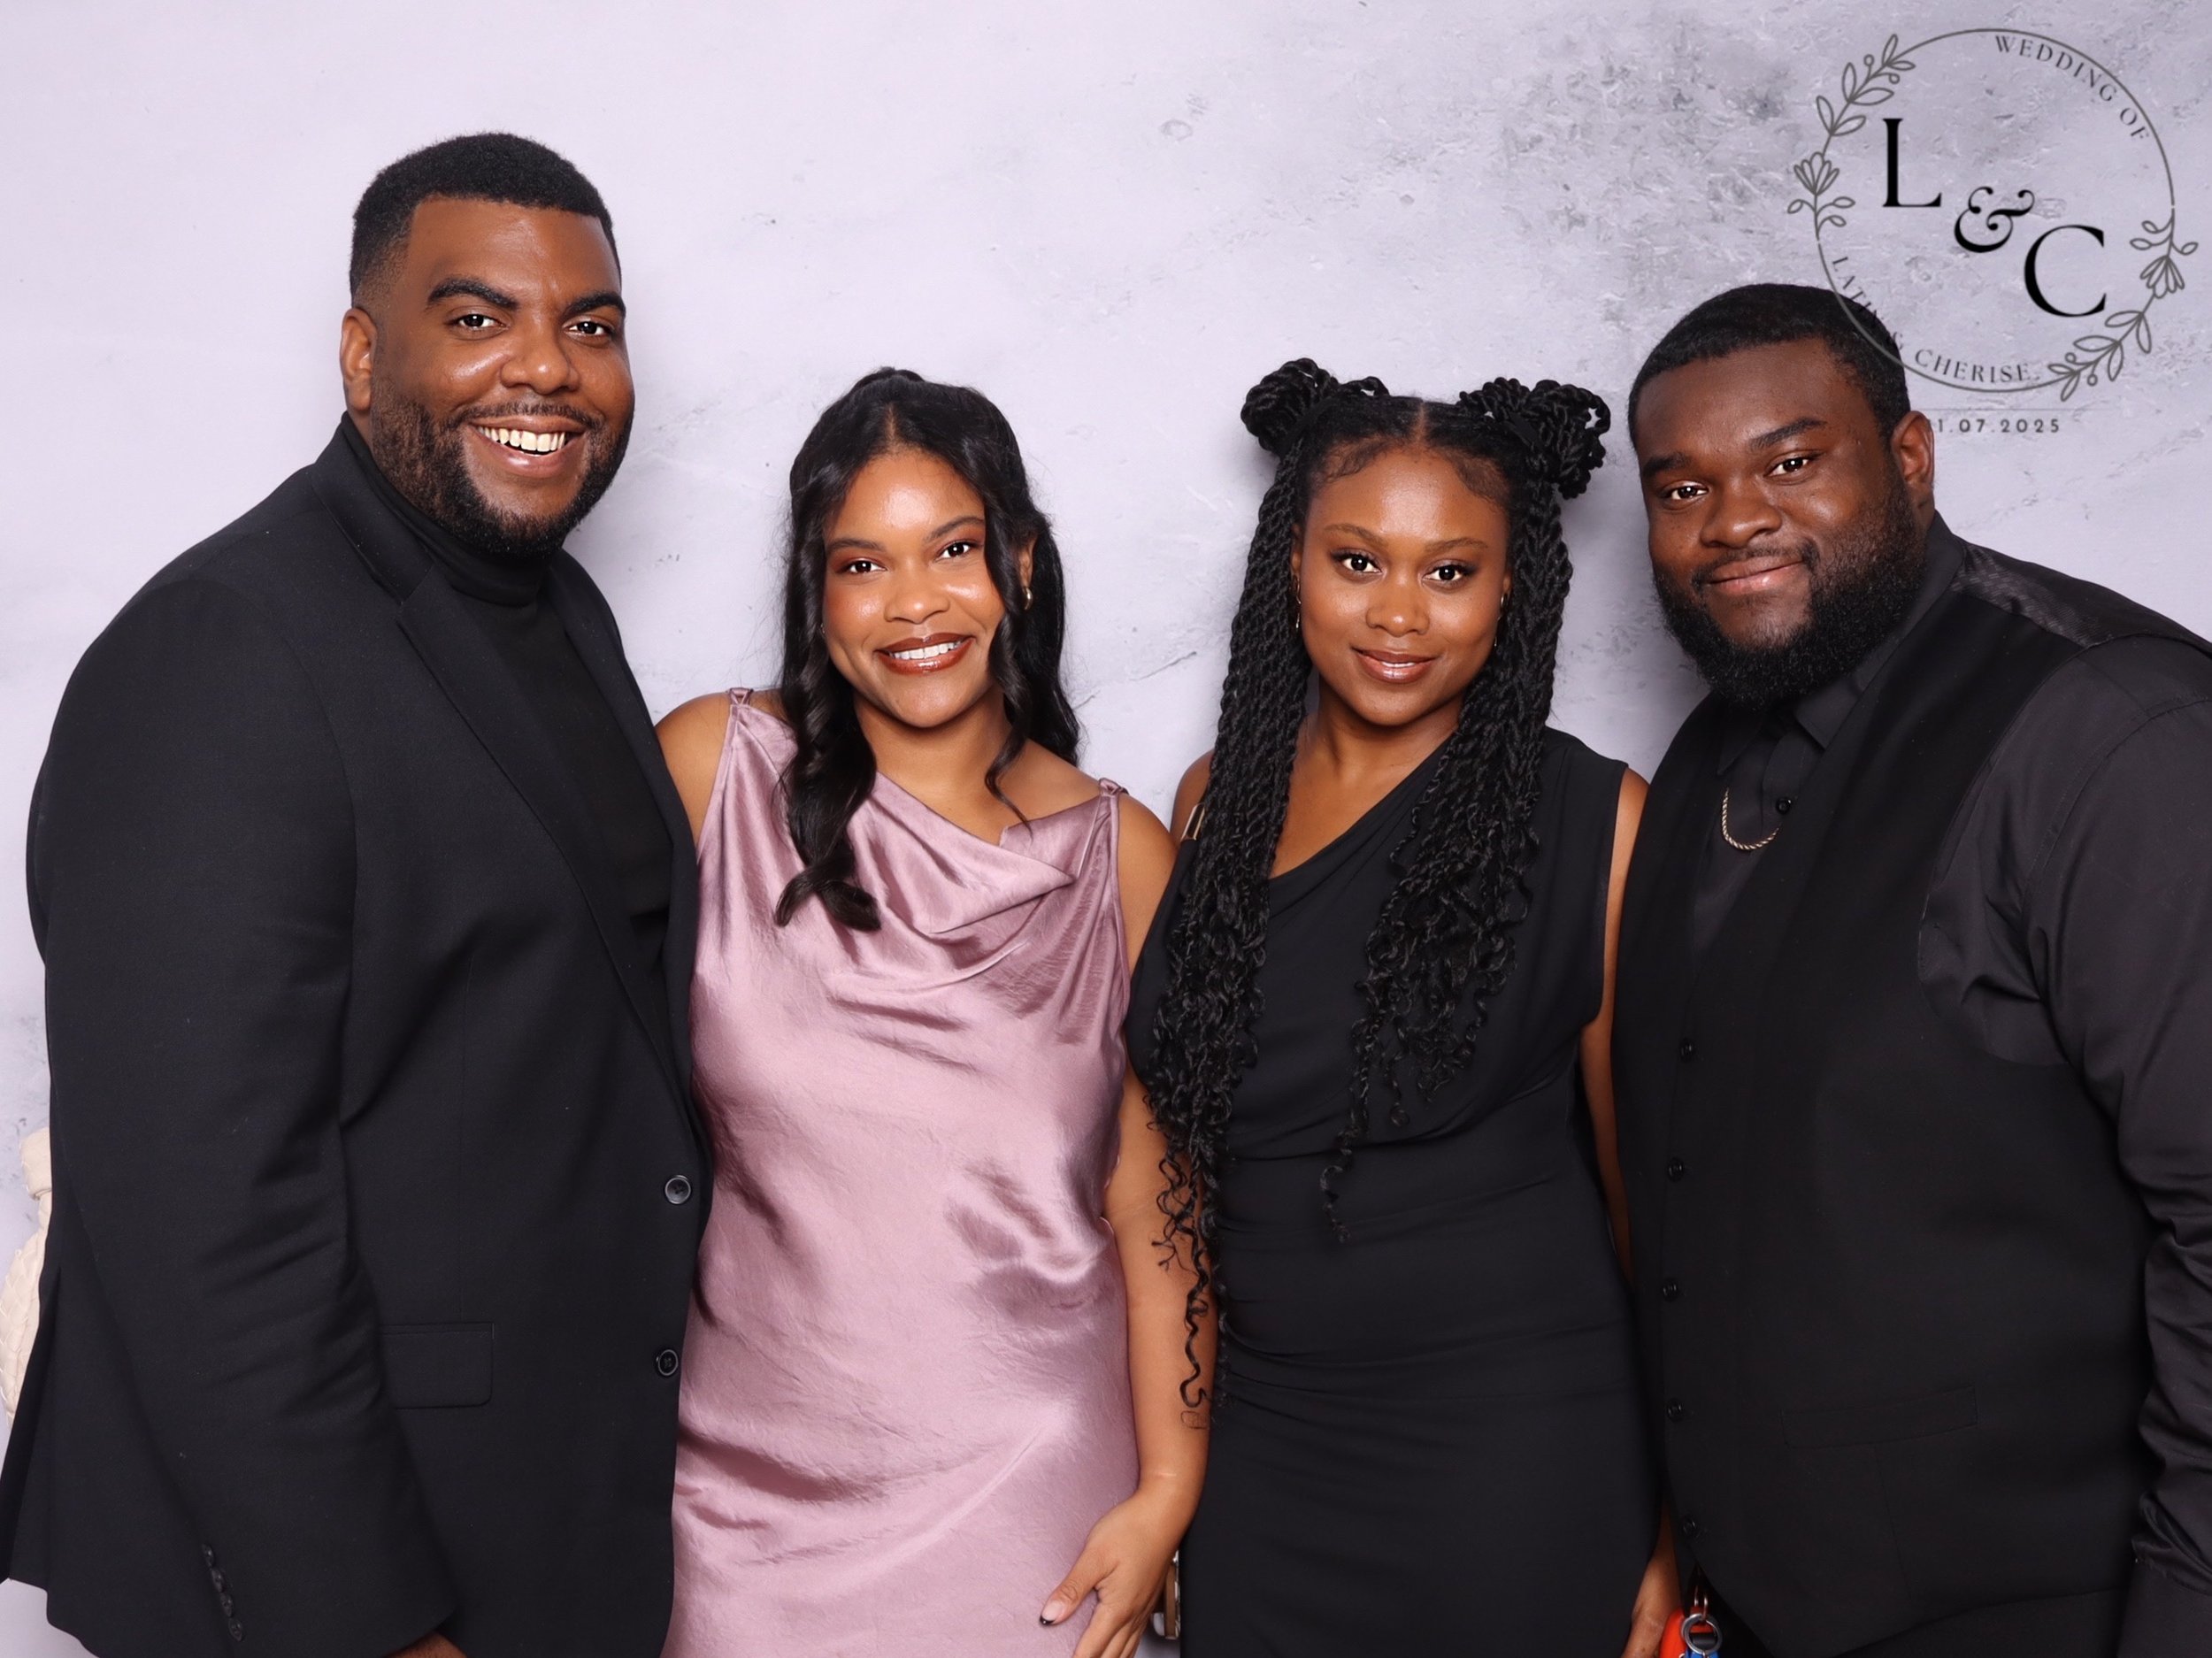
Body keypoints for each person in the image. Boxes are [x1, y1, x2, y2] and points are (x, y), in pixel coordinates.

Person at [0, 134, 707, 1658]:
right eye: (478, 319)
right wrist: (366, 1624)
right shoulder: (224, 650)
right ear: (360, 352)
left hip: (552, 1510)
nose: (549, 369)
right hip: (354, 1566)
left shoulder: (546, 599)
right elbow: (202, 1224)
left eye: (591, 325)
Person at [1615, 282, 2212, 1658]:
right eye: (1683, 485)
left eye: (1790, 461)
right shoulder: (1713, 746)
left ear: (1911, 458)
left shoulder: (2113, 730)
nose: (1735, 519)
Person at [653, 368, 1207, 1658]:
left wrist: (1169, 1492)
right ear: (817, 588)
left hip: (1033, 1509)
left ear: (1018, 560)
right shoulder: (711, 772)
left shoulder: (1120, 857)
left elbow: (1157, 1206)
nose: (914, 603)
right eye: (864, 563)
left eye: (954, 549)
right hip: (737, 1512)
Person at [1128, 359, 1672, 1655]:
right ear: (1291, 568)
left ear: (1513, 589)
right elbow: (1174, 1175)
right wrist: (1172, 1473)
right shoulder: (1213, 801)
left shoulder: (1597, 823)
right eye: (1359, 561)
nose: (1400, 614)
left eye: (1451, 571)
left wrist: (1682, 1512)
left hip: (1515, 1454)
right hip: (1264, 1450)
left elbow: (1650, 1190)